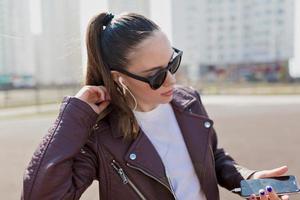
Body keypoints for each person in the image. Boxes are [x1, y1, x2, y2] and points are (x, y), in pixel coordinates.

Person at [21, 12, 289, 200]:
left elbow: (213, 159)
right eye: (156, 75)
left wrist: (250, 179)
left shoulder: (189, 101)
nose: (171, 80)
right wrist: (73, 116)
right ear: (119, 78)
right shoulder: (101, 136)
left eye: (172, 63)